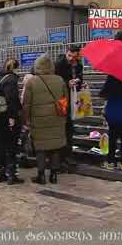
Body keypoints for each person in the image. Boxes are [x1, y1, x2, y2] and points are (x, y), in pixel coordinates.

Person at [23, 54, 68, 184]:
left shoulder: (32, 81)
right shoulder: (60, 80)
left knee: (40, 148)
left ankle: (41, 175)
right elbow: (65, 101)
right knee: (55, 147)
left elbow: (27, 104)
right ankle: (54, 175)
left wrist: (25, 119)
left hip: (38, 119)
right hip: (56, 118)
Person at [0, 58, 23, 184]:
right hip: (6, 117)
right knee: (11, 145)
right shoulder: (11, 79)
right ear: (14, 68)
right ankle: (11, 175)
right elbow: (12, 99)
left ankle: (0, 174)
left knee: (0, 145)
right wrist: (13, 117)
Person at [54, 44, 83, 173]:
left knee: (69, 128)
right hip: (62, 100)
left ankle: (68, 155)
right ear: (66, 53)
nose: (72, 59)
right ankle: (60, 158)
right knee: (62, 128)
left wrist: (80, 82)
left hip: (73, 98)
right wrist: (67, 83)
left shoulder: (79, 65)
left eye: (74, 57)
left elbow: (80, 78)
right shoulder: (59, 64)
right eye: (70, 56)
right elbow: (55, 82)